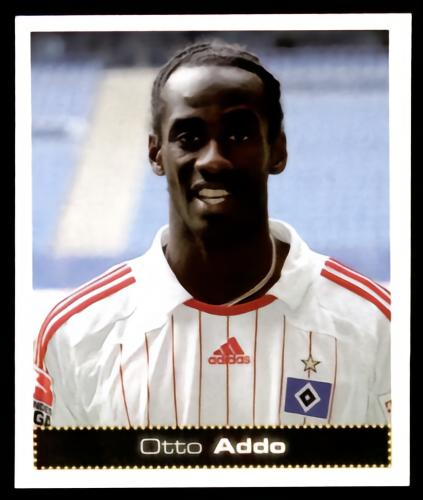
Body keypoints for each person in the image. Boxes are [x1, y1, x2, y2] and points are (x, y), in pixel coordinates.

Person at [33, 41, 391, 428]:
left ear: (277, 151)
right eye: (189, 138)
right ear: (156, 154)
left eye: (238, 136)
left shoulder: (376, 325)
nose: (213, 160)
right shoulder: (76, 334)